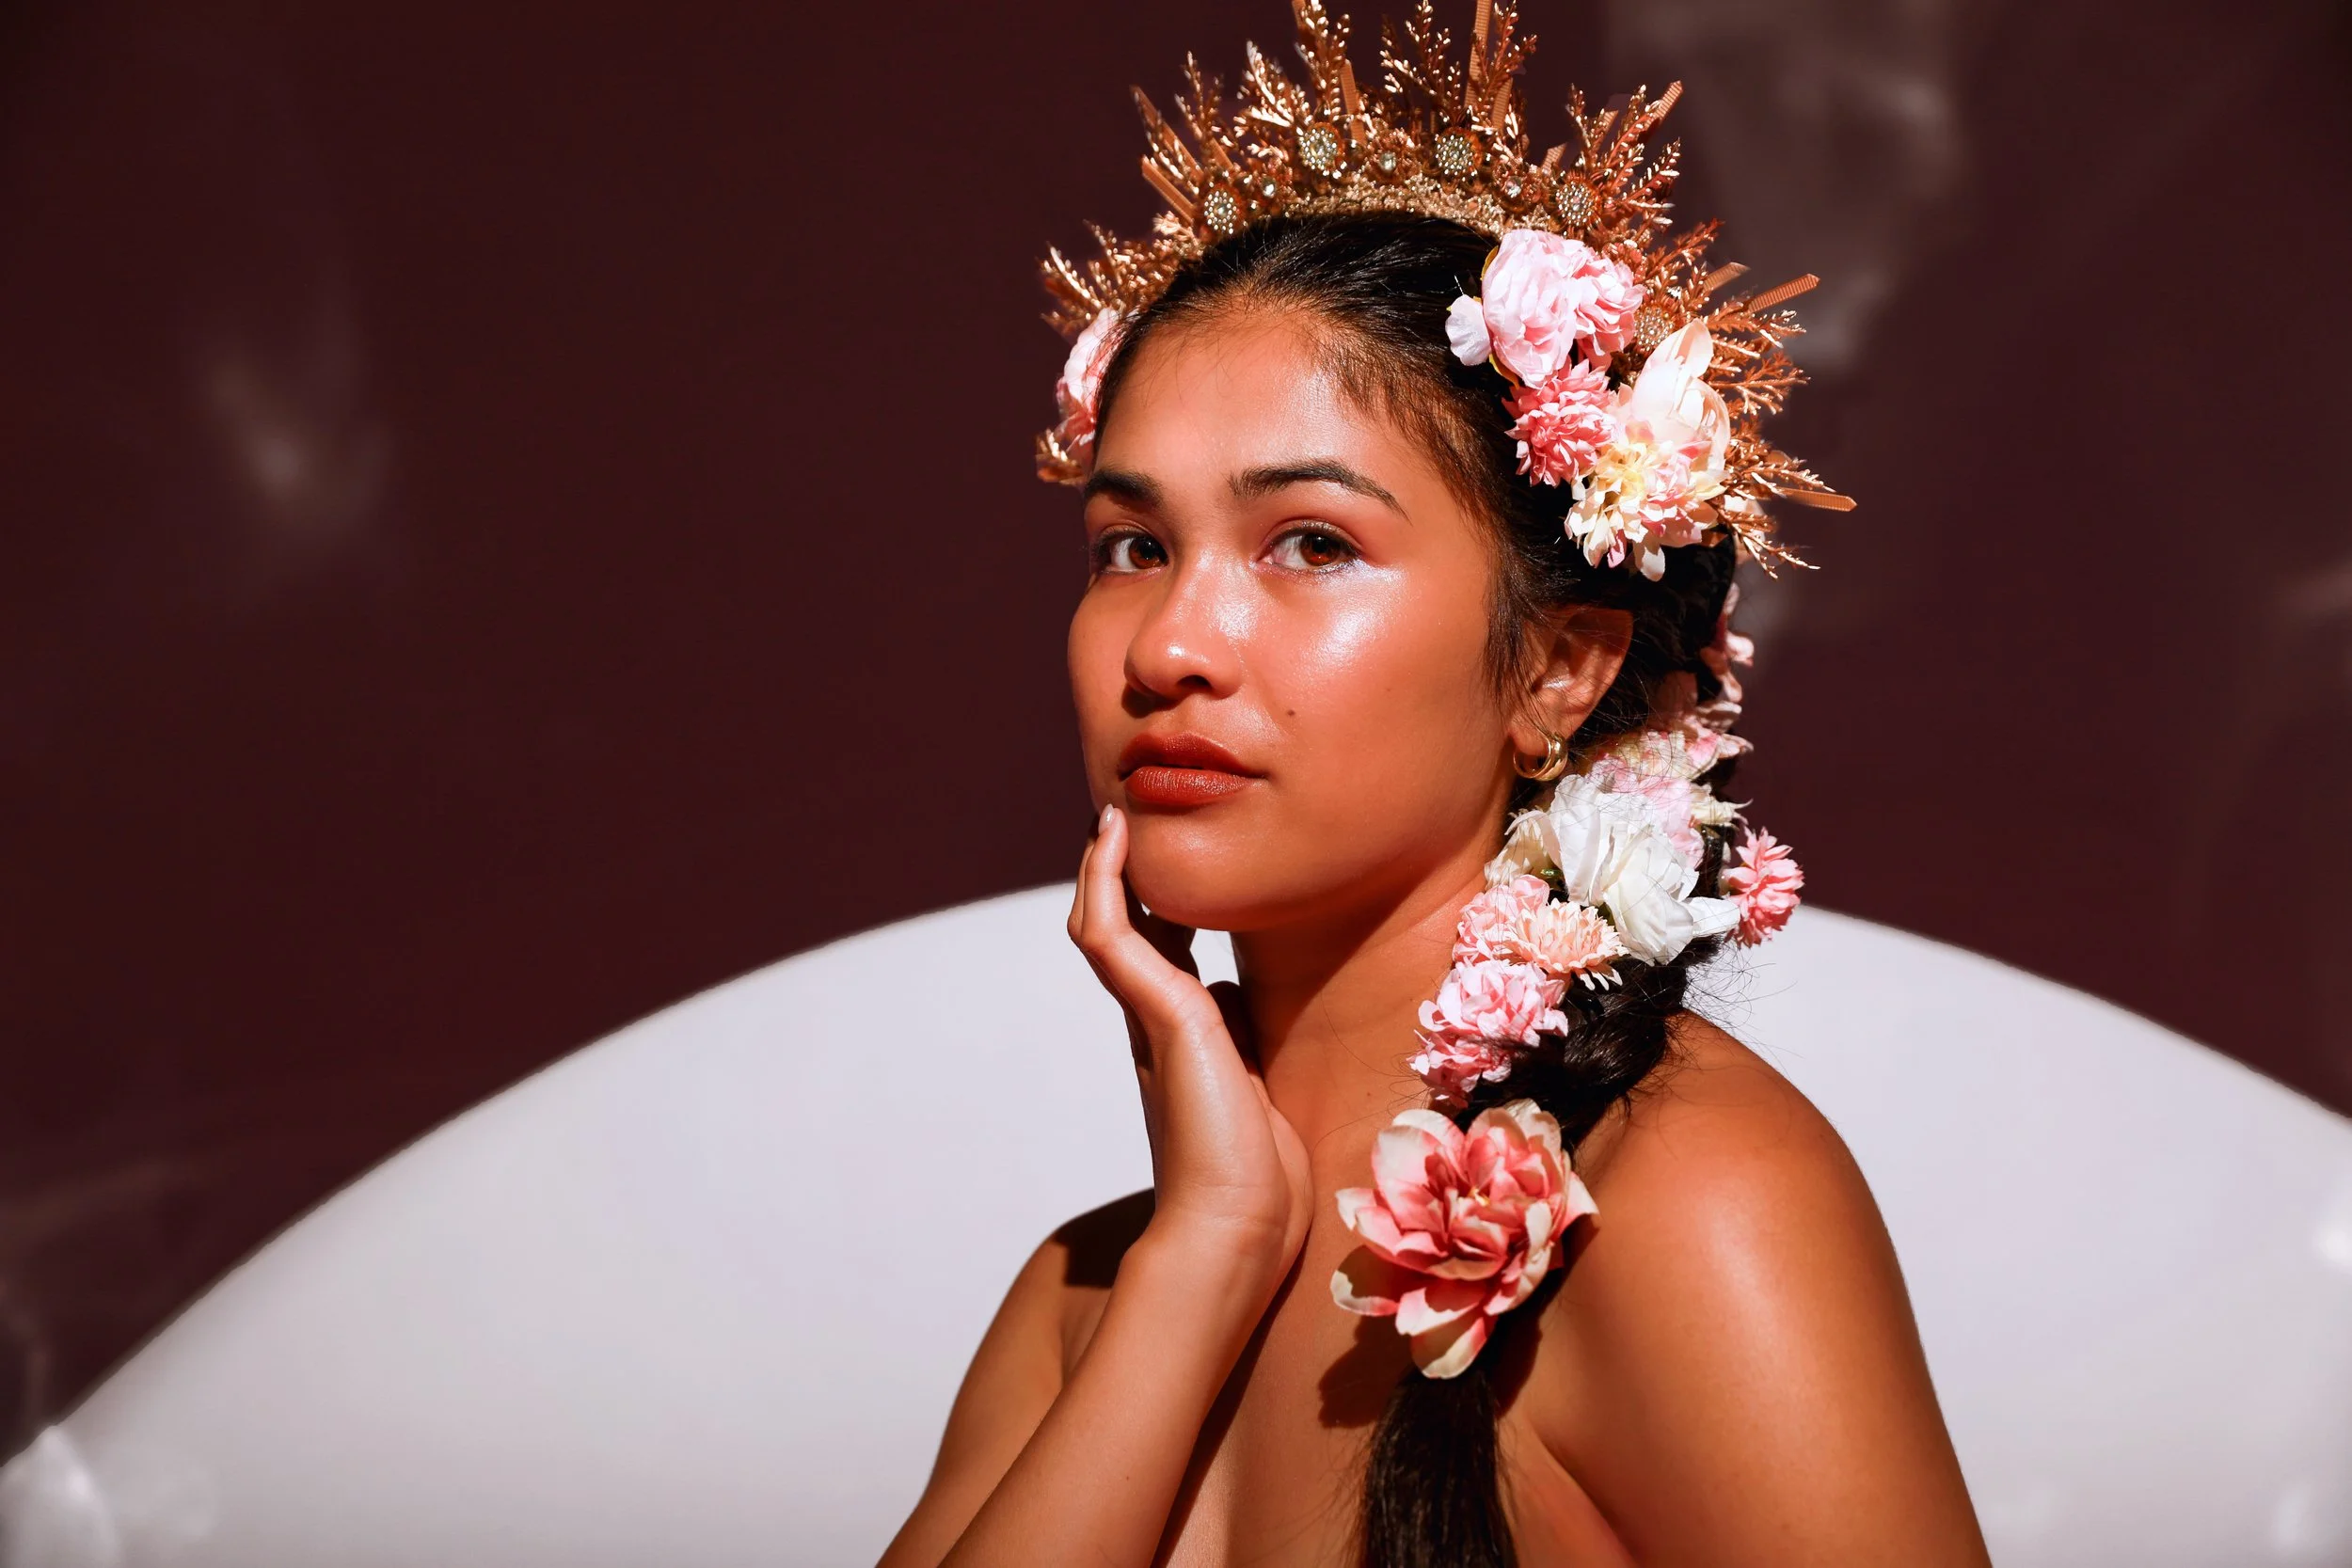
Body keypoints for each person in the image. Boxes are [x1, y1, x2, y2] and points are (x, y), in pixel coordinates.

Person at [882, 4, 1990, 1562]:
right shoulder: (1087, 1298)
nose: (1174, 644)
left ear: (1560, 667)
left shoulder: (1687, 1211)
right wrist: (1203, 1255)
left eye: (1312, 544)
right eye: (1133, 547)